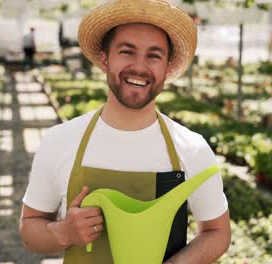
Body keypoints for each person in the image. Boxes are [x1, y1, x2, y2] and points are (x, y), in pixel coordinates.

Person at [19, 1, 231, 263]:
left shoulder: (192, 148)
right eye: (127, 51)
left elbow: (217, 231)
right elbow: (30, 229)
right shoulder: (60, 141)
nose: (139, 67)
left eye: (154, 55)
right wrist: (63, 232)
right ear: (106, 60)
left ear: (166, 69)